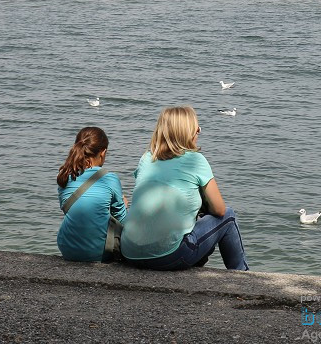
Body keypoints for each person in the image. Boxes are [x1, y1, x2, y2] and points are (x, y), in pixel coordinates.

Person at [121, 106, 248, 271]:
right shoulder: (196, 160)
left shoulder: (147, 157)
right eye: (196, 128)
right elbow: (219, 210)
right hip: (169, 256)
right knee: (229, 216)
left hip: (130, 253)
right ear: (187, 133)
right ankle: (242, 275)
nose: (199, 132)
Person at [57, 126, 128, 262]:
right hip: (100, 253)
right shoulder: (109, 178)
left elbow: (70, 210)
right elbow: (123, 220)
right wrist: (124, 205)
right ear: (103, 152)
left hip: (66, 248)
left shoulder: (65, 175)